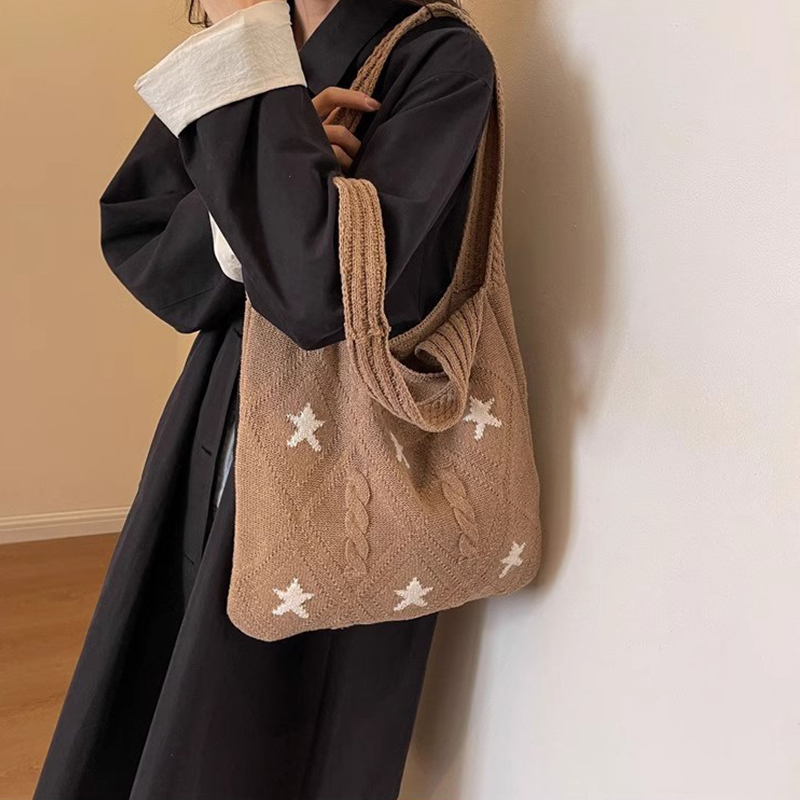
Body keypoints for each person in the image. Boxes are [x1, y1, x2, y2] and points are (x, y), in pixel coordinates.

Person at [33, 1, 495, 798]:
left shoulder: (439, 58)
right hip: (216, 411)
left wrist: (267, 162)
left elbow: (323, 292)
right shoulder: (252, 45)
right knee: (162, 682)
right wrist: (267, 173)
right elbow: (144, 241)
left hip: (347, 456)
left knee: (266, 726)